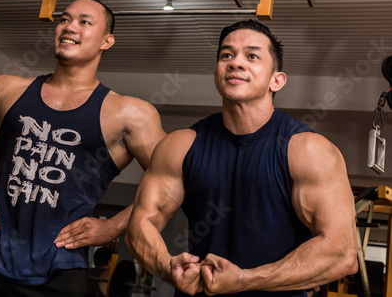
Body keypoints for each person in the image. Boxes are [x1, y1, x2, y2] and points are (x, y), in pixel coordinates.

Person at [0, 0, 166, 296]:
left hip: (61, 270)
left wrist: (112, 228)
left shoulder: (129, 114)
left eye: (84, 22)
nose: (69, 27)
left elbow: (169, 183)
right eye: (64, 19)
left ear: (106, 41)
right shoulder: (4, 90)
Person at [125, 20, 358, 296]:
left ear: (277, 80)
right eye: (227, 55)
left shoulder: (308, 150)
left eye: (252, 56)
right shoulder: (180, 145)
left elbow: (342, 253)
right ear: (216, 76)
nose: (236, 63)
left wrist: (246, 279)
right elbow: (140, 224)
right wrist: (167, 266)